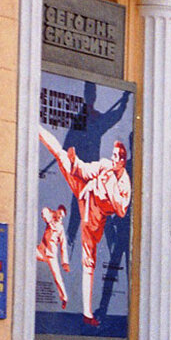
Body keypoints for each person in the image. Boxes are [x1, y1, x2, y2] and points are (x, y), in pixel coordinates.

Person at [39, 126, 131, 327]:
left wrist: (110, 185)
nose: (114, 159)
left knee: (89, 262)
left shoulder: (124, 183)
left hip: (95, 217)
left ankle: (87, 313)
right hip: (84, 193)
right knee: (61, 155)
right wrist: (75, 162)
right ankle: (36, 129)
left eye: (117, 157)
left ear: (123, 160)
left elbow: (121, 210)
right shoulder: (106, 165)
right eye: (113, 155)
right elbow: (87, 170)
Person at [35, 205, 70, 309]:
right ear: (57, 211)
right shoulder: (49, 216)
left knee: (57, 276)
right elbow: (44, 212)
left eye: (62, 216)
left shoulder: (60, 227)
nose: (60, 217)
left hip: (51, 255)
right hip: (41, 251)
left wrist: (65, 263)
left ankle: (64, 298)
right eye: (60, 214)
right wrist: (52, 215)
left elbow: (63, 246)